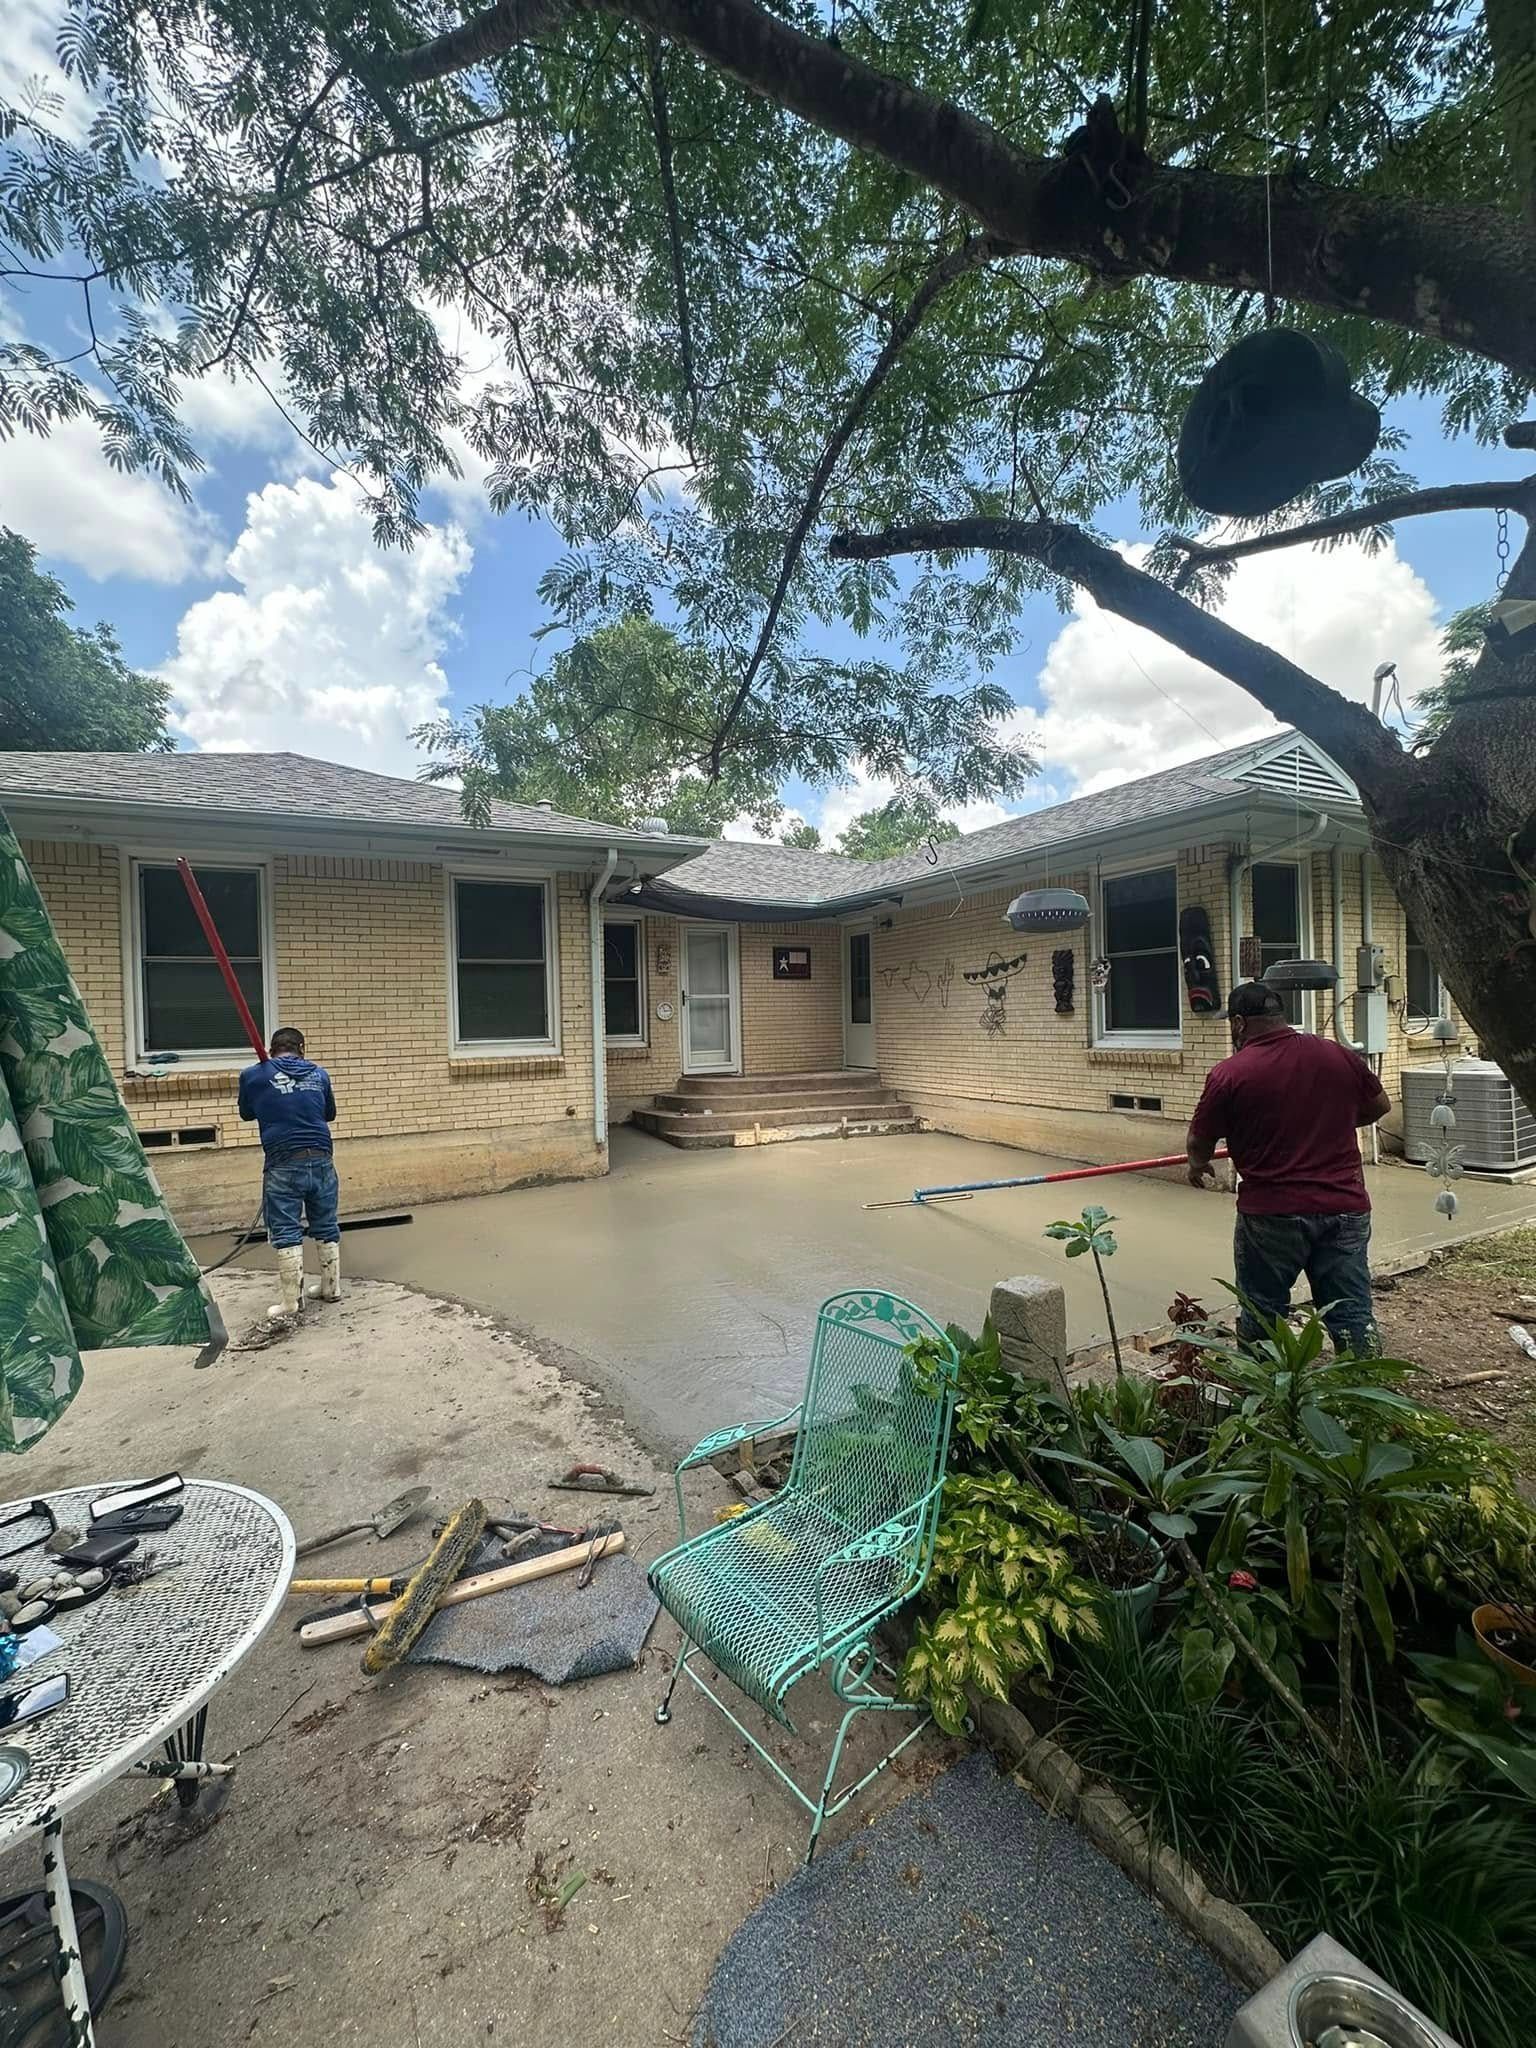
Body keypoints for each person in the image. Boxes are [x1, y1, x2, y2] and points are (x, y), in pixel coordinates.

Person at [1186, 980, 1391, 1354]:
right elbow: (1380, 1106)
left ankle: (1266, 1385)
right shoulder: (1336, 1054)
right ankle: (1365, 1381)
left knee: (1263, 1312)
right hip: (1344, 1207)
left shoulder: (1230, 1073)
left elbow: (1200, 1140)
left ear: (1238, 1023)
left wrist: (1197, 1166)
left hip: (1272, 1215)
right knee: (1351, 1310)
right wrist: (1332, 1125)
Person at [237, 1026, 340, 1321]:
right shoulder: (319, 1074)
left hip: (283, 1163)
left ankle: (292, 1302)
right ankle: (331, 1288)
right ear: (301, 1049)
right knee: (326, 1223)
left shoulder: (253, 1075)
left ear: (272, 1050)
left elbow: (246, 1113)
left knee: (285, 1229)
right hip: (322, 1159)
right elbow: (329, 1114)